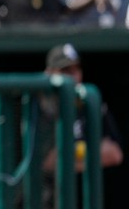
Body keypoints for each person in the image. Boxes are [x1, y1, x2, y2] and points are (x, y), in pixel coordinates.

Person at [40, 43, 124, 209]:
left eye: (75, 70)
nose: (72, 77)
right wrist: (93, 152)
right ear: (49, 73)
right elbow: (48, 163)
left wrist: (72, 153)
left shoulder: (90, 104)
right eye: (65, 71)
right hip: (48, 201)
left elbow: (114, 154)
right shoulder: (40, 109)